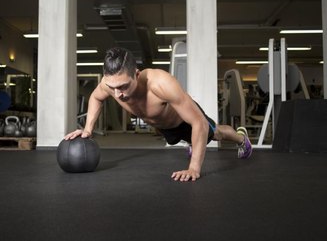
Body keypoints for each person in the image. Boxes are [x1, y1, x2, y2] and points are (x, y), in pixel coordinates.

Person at [65, 47, 252, 182]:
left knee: (215, 132)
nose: (118, 94)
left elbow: (199, 123)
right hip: (164, 127)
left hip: (185, 120)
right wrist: (88, 130)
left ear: (137, 75)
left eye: (123, 86)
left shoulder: (161, 84)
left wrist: (194, 168)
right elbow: (96, 98)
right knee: (191, 140)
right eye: (112, 88)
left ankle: (242, 139)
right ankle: (192, 143)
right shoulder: (110, 84)